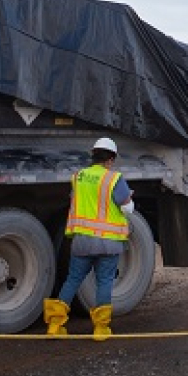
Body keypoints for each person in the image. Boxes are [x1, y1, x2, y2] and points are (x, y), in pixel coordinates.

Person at [42, 136, 134, 340]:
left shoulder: (79, 177)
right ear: (111, 159)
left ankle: (55, 324)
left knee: (72, 279)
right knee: (104, 282)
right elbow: (127, 206)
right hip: (108, 242)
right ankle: (101, 329)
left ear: (93, 155)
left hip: (82, 240)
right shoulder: (113, 178)